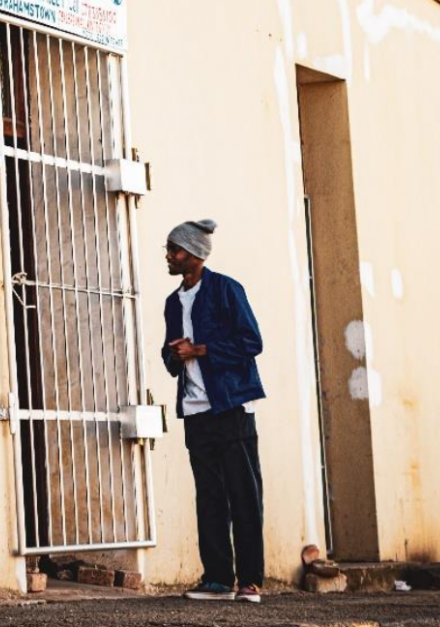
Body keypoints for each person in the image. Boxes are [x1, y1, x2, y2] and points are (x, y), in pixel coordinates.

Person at [160, 219, 267, 603]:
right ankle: (218, 580)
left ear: (195, 254)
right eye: (169, 250)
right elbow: (169, 355)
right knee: (209, 497)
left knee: (243, 495)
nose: (169, 257)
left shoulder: (225, 289)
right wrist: (174, 354)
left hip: (231, 405)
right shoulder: (173, 302)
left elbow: (251, 341)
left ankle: (250, 581)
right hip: (195, 411)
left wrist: (200, 349)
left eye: (175, 250)